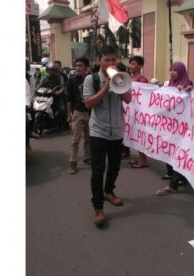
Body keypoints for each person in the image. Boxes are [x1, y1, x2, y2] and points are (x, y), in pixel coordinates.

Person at [83, 45, 132, 226]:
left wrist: (119, 85)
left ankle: (109, 191)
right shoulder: (91, 79)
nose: (111, 63)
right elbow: (88, 103)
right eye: (107, 60)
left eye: (114, 60)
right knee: (97, 171)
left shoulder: (122, 77)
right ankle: (98, 208)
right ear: (99, 61)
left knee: (115, 166)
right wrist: (105, 88)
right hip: (98, 131)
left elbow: (128, 99)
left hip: (117, 131)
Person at [156, 62, 193, 195]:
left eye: (175, 70)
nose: (172, 72)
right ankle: (178, 177)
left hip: (181, 129)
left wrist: (187, 90)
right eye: (171, 70)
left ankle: (174, 184)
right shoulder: (169, 85)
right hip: (169, 128)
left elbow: (191, 96)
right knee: (170, 152)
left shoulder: (187, 85)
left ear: (181, 71)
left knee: (178, 154)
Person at [66, 57, 92, 174]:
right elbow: (69, 98)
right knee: (75, 140)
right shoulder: (71, 80)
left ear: (87, 67)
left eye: (81, 66)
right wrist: (69, 114)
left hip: (91, 113)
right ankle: (73, 162)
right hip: (77, 112)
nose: (78, 68)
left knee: (89, 138)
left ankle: (87, 157)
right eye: (76, 66)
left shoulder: (92, 79)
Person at [126, 56, 150, 168]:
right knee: (135, 136)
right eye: (130, 64)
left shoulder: (142, 80)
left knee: (140, 137)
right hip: (131, 113)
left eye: (133, 64)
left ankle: (143, 160)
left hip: (140, 114)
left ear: (140, 66)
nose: (131, 66)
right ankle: (141, 159)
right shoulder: (130, 79)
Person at [37, 62, 68, 130]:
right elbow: (39, 87)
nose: (51, 71)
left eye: (52, 70)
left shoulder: (60, 77)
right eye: (49, 70)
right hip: (47, 96)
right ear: (47, 70)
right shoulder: (44, 79)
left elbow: (63, 86)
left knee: (62, 109)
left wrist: (60, 91)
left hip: (58, 97)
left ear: (55, 70)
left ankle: (65, 125)